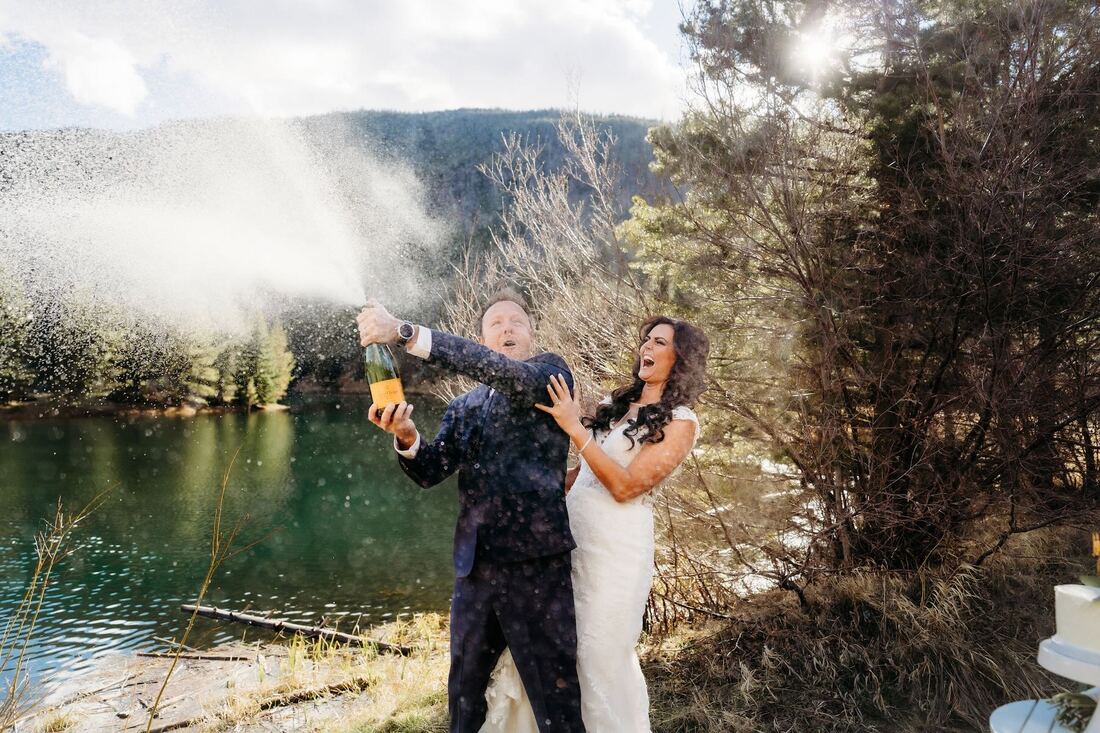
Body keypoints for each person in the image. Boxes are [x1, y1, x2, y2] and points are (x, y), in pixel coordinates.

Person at [357, 290, 585, 733]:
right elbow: (430, 471)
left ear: (532, 333)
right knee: (463, 695)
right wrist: (407, 436)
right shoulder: (463, 407)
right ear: (481, 338)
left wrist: (404, 332)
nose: (507, 328)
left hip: (536, 567)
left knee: (555, 697)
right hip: (474, 571)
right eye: (496, 323)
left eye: (516, 321)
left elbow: (503, 373)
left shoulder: (549, 376)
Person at [480, 315, 710, 733]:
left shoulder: (681, 421)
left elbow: (626, 487)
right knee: (554, 649)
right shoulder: (614, 407)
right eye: (647, 339)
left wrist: (573, 427)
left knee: (598, 654)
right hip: (569, 541)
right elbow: (582, 475)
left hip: (615, 552)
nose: (647, 347)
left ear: (681, 358)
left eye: (660, 342)